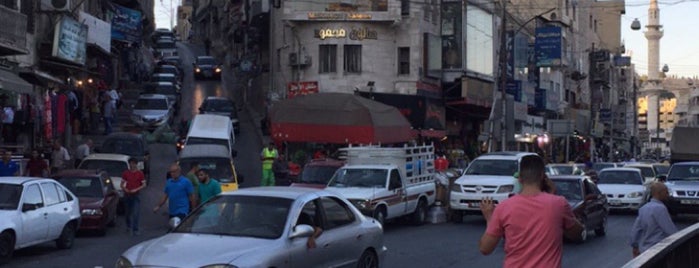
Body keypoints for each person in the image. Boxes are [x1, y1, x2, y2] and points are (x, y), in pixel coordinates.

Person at [479, 155, 583, 268]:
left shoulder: (504, 207)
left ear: (520, 179)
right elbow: (578, 233)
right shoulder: (558, 204)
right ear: (543, 178)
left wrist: (490, 218)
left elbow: (485, 249)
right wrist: (552, 194)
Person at [630, 182, 678, 257]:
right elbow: (670, 230)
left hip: (645, 250)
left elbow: (636, 229)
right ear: (660, 193)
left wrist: (635, 245)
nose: (668, 194)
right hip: (659, 249)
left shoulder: (643, 208)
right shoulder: (660, 209)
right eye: (666, 192)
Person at [121, 158, 146, 236]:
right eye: (131, 163)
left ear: (136, 164)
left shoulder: (140, 174)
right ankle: (128, 226)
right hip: (127, 194)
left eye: (133, 163)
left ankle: (135, 229)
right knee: (128, 213)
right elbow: (122, 184)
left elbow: (144, 184)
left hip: (136, 195)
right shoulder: (126, 173)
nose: (132, 165)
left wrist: (136, 189)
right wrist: (125, 189)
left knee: (136, 212)